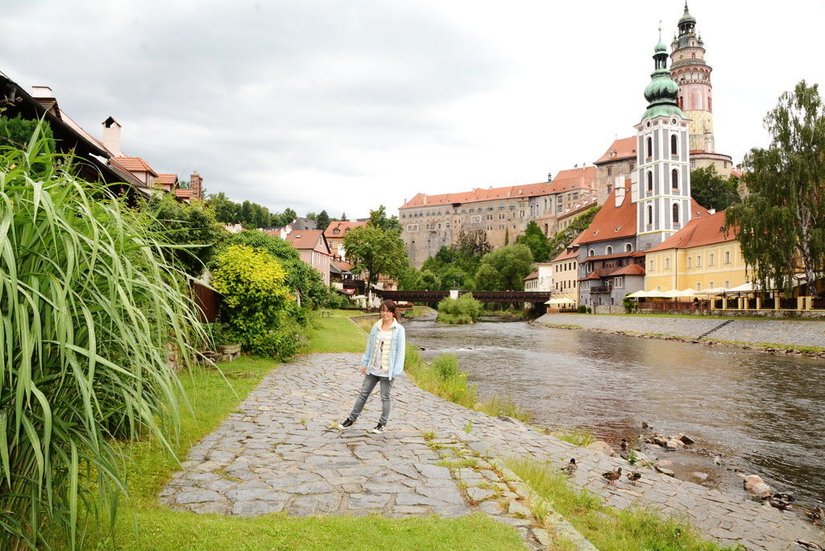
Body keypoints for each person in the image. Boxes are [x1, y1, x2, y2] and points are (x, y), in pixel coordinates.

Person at [337, 300, 406, 434]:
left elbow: (400, 351)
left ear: (392, 313)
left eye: (387, 311)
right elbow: (370, 346)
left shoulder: (399, 330)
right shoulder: (376, 326)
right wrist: (365, 362)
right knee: (363, 394)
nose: (384, 313)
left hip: (387, 370)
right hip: (373, 368)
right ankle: (351, 419)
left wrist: (396, 371)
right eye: (382, 310)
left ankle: (382, 423)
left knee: (385, 397)